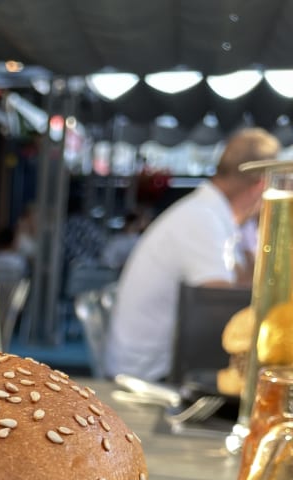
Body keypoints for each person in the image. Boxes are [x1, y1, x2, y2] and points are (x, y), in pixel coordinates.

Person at [105, 127, 280, 382]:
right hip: (147, 377)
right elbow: (222, 312)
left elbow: (242, 282)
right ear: (261, 186)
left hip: (157, 365)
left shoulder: (212, 215)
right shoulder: (202, 220)